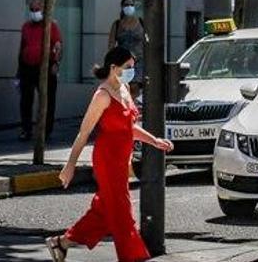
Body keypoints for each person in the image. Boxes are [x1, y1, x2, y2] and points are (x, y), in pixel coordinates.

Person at [45, 47, 173, 262]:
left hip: (122, 160)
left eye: (133, 67)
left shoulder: (124, 90)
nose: (132, 71)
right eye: (128, 67)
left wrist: (154, 140)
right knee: (122, 213)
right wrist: (70, 166)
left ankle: (61, 243)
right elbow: (84, 133)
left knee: (105, 211)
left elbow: (128, 128)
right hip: (107, 160)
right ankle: (134, 257)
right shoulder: (102, 96)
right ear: (113, 67)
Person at [17, 0, 62, 141]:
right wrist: (19, 70)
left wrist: (55, 62)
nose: (34, 13)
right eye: (32, 10)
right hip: (27, 67)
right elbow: (22, 46)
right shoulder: (26, 27)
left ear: (43, 11)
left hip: (46, 67)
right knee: (26, 100)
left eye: (37, 10)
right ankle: (26, 129)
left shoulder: (51, 26)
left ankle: (45, 131)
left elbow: (58, 46)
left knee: (48, 100)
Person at [109, 0, 146, 99]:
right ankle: (127, 108)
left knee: (135, 87)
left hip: (139, 61)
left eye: (131, 5)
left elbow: (147, 42)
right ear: (122, 7)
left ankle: (132, 109)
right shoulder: (117, 25)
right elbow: (111, 45)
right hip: (123, 63)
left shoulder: (141, 23)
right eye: (126, 5)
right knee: (125, 88)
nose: (129, 7)